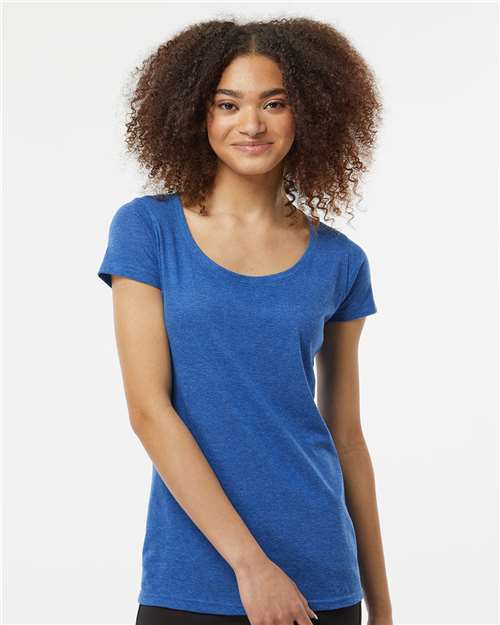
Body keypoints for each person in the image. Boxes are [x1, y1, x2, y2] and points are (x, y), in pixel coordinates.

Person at [98, 17, 392, 625]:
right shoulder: (148, 230)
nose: (251, 124)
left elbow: (347, 437)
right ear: (196, 114)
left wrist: (383, 609)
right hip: (192, 577)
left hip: (322, 576)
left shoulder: (340, 261)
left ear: (309, 114)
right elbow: (149, 411)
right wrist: (251, 565)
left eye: (274, 104)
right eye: (227, 104)